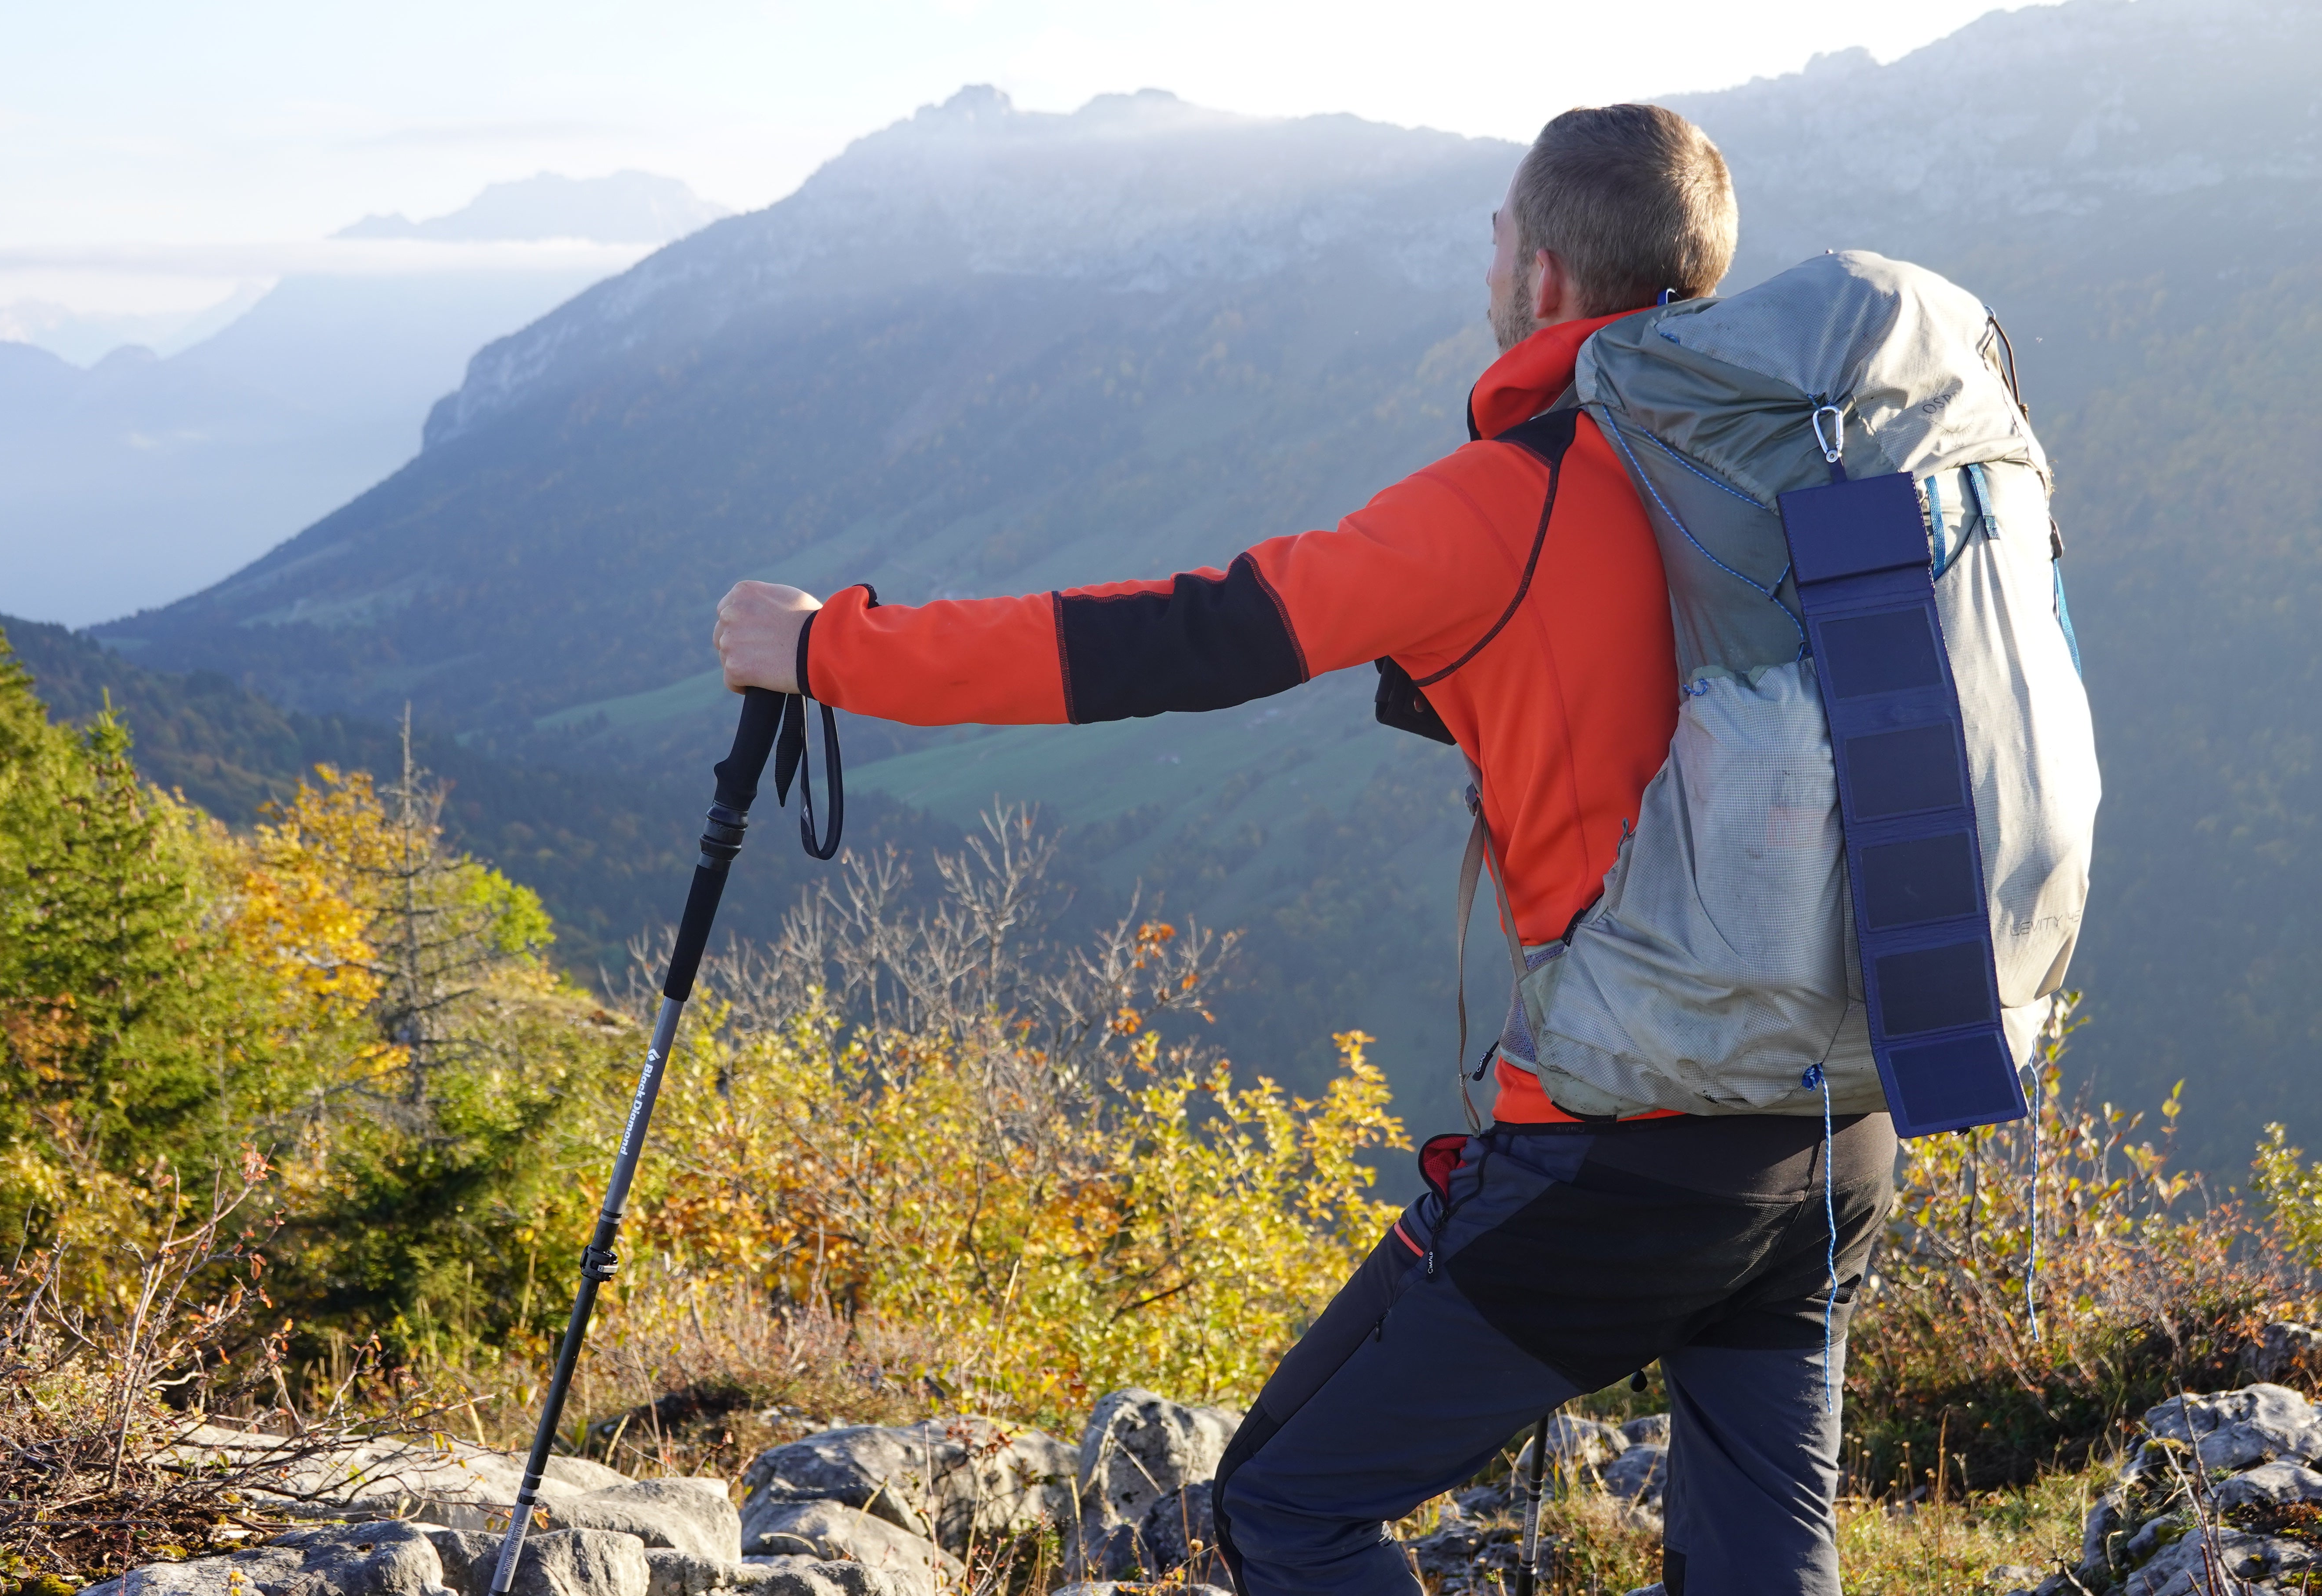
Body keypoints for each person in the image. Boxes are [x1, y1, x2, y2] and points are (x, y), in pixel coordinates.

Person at [715, 103, 1892, 1596]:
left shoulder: (1506, 500)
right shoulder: (1808, 473)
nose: (1487, 262)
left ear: (1542, 280)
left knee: (1286, 1505)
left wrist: (835, 653)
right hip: (1835, 1127)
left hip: (1625, 1150)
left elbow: (1180, 638)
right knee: (1761, 1555)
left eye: (1495, 236)